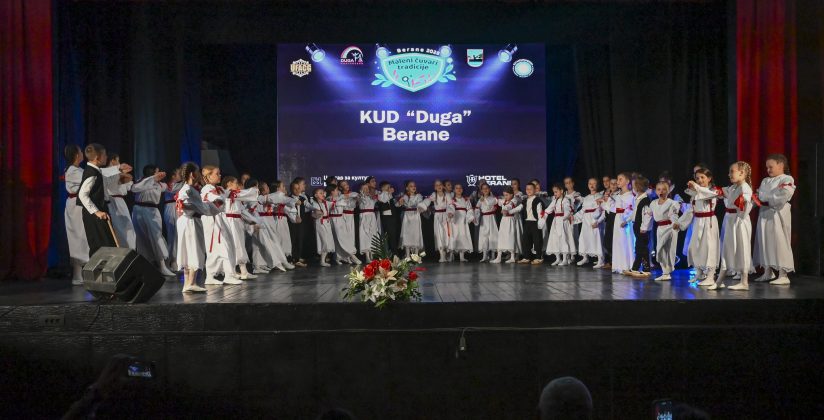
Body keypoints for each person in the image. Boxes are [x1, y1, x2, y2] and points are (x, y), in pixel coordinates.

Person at [175, 162, 219, 293]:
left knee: (188, 250)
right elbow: (190, 204)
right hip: (191, 221)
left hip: (187, 220)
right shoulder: (188, 189)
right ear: (192, 174)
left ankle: (188, 283)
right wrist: (210, 206)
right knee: (194, 249)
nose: (199, 174)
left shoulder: (188, 189)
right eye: (198, 172)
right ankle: (191, 282)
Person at [710, 161, 754, 290]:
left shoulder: (745, 188)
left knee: (742, 248)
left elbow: (746, 204)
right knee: (727, 249)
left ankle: (744, 282)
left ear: (742, 173)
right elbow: (719, 192)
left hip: (739, 221)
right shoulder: (733, 187)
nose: (729, 174)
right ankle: (719, 281)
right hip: (730, 220)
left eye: (732, 172)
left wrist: (743, 202)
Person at [753, 154, 796, 285]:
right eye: (767, 167)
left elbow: (783, 195)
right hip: (764, 213)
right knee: (765, 241)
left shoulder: (786, 179)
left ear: (780, 165)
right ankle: (768, 271)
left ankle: (783, 274)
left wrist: (765, 197)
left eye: (770, 167)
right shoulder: (765, 180)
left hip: (778, 213)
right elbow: (759, 195)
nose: (768, 170)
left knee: (780, 241)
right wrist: (762, 197)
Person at [77, 144, 126, 256]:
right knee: (99, 245)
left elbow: (105, 173)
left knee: (105, 243)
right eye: (104, 155)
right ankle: (98, 267)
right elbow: (82, 195)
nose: (106, 157)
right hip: (94, 214)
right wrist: (97, 212)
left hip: (99, 211)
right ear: (97, 158)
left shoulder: (95, 170)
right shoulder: (92, 173)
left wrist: (119, 168)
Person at [130, 165, 175, 276]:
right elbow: (134, 188)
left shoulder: (160, 184)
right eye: (157, 172)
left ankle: (162, 266)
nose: (159, 174)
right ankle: (147, 264)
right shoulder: (141, 181)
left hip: (152, 211)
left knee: (156, 236)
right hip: (138, 210)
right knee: (140, 238)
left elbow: (171, 188)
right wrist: (152, 179)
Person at [200, 165, 240, 285]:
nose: (220, 175)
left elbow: (228, 193)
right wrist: (218, 198)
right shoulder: (206, 189)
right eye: (217, 174)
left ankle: (211, 276)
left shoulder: (219, 189)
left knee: (223, 246)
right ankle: (227, 275)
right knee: (220, 246)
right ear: (208, 176)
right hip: (212, 219)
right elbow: (209, 197)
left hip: (220, 218)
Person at [681, 168, 722, 286]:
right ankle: (699, 272)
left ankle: (710, 276)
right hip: (698, 222)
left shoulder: (712, 191)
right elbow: (691, 210)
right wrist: (680, 223)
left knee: (709, 248)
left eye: (702, 177)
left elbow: (705, 194)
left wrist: (695, 186)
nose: (699, 180)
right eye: (697, 178)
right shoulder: (696, 193)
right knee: (694, 247)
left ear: (709, 178)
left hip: (709, 222)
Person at [222, 175, 260, 279]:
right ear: (229, 184)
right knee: (236, 245)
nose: (237, 185)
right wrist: (253, 190)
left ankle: (242, 271)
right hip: (231, 222)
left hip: (236, 222)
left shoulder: (235, 196)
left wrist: (253, 221)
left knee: (239, 245)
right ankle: (237, 272)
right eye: (235, 183)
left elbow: (242, 211)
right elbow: (245, 194)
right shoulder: (227, 193)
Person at [63, 144, 90, 285]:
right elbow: (91, 178)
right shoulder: (73, 171)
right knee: (78, 237)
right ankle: (77, 275)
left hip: (80, 205)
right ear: (76, 155)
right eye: (80, 151)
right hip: (76, 206)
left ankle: (80, 274)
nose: (82, 153)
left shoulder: (78, 170)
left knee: (82, 237)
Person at [603, 172, 635, 274]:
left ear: (627, 181)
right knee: (618, 242)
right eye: (618, 179)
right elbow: (614, 209)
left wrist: (626, 220)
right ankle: (619, 266)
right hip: (617, 220)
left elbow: (632, 210)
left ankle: (628, 265)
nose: (618, 181)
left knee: (626, 242)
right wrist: (607, 201)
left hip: (625, 222)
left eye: (620, 179)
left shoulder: (631, 195)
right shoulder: (618, 195)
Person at [102, 154, 136, 249]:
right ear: (112, 161)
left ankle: (129, 250)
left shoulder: (116, 172)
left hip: (118, 202)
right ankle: (125, 251)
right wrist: (121, 171)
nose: (119, 163)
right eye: (118, 160)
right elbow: (127, 179)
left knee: (125, 229)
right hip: (113, 202)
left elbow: (129, 182)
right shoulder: (106, 172)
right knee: (121, 229)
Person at [650, 181, 681, 281]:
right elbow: (649, 215)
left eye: (664, 189)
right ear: (656, 191)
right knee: (660, 250)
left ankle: (669, 268)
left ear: (668, 191)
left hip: (670, 228)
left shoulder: (672, 203)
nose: (661, 191)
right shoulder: (653, 203)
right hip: (660, 229)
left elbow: (673, 215)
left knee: (666, 249)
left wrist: (675, 223)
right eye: (659, 189)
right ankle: (665, 273)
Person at [572, 178, 605, 268]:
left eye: (594, 183)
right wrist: (574, 217)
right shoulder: (586, 198)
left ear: (597, 185)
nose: (592, 185)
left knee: (597, 239)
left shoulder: (600, 196)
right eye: (590, 183)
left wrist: (598, 221)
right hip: (586, 221)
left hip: (594, 220)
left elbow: (603, 210)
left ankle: (601, 259)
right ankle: (585, 257)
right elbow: (583, 210)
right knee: (584, 238)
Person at [543, 183, 576, 266]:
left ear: (561, 191)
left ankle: (565, 259)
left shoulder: (565, 200)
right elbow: (548, 209)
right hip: (555, 222)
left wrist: (562, 219)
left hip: (563, 222)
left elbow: (567, 212)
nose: (555, 194)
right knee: (555, 239)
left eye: (556, 192)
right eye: (554, 192)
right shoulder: (555, 201)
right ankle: (558, 258)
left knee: (563, 239)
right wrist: (544, 215)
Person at [327, 185, 360, 264]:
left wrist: (355, 198)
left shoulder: (340, 197)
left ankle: (340, 257)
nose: (338, 191)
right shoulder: (328, 199)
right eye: (336, 190)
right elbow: (335, 204)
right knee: (339, 238)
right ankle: (352, 255)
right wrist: (342, 201)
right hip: (333, 220)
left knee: (344, 237)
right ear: (332, 191)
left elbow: (349, 199)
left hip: (341, 219)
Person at [627, 176, 652, 277]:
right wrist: (628, 220)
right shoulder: (637, 198)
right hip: (636, 225)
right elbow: (635, 212)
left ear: (638, 187)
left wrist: (644, 228)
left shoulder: (645, 200)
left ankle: (646, 268)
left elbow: (647, 215)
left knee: (643, 248)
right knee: (638, 247)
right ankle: (635, 268)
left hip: (642, 228)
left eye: (634, 185)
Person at [490, 186, 522, 263]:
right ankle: (499, 257)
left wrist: (505, 209)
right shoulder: (504, 200)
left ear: (511, 194)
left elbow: (509, 206)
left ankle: (512, 257)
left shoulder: (513, 201)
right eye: (504, 195)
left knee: (510, 237)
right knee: (501, 237)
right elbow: (497, 201)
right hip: (503, 221)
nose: (505, 196)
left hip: (510, 221)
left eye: (507, 195)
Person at [423, 179, 451, 262]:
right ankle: (441, 255)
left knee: (446, 235)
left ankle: (447, 254)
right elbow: (427, 201)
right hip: (438, 216)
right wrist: (422, 206)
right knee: (439, 236)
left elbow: (451, 205)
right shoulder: (434, 194)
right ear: (435, 187)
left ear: (443, 186)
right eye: (437, 185)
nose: (439, 186)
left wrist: (450, 212)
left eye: (440, 185)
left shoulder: (447, 195)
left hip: (446, 216)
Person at [396, 180, 426, 257]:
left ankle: (416, 255)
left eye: (414, 186)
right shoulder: (404, 196)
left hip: (415, 215)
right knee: (407, 234)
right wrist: (400, 202)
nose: (413, 187)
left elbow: (419, 204)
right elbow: (397, 205)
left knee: (416, 233)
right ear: (407, 188)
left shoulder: (418, 196)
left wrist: (420, 207)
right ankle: (407, 255)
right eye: (411, 186)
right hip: (407, 216)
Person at [517, 182, 544, 264]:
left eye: (530, 189)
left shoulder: (538, 200)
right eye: (527, 189)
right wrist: (509, 211)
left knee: (537, 240)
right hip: (527, 222)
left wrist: (540, 223)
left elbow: (540, 213)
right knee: (525, 240)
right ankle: (526, 257)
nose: (528, 190)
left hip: (535, 222)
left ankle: (538, 257)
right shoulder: (525, 200)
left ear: (535, 190)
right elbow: (519, 208)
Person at [162, 169, 183, 272]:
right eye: (179, 174)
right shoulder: (169, 185)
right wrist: (187, 180)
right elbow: (174, 189)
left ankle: (177, 260)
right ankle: (171, 261)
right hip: (171, 208)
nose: (181, 176)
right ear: (173, 176)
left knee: (178, 235)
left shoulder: (178, 185)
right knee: (173, 235)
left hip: (178, 208)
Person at [308, 187, 335, 266]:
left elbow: (334, 203)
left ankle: (323, 260)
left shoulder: (325, 202)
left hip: (327, 223)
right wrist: (317, 213)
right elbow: (313, 214)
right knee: (324, 240)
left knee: (328, 240)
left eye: (323, 193)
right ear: (316, 195)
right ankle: (322, 260)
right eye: (320, 193)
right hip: (320, 223)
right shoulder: (314, 203)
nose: (323, 194)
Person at [447, 184, 474, 262]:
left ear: (462, 190)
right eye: (457, 188)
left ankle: (462, 256)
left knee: (463, 236)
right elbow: (450, 207)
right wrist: (450, 213)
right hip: (455, 220)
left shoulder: (466, 200)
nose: (459, 189)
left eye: (460, 188)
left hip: (463, 220)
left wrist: (470, 217)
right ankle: (451, 255)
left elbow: (469, 209)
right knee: (454, 236)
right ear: (454, 190)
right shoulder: (452, 200)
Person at [288, 178, 310, 267]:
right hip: (292, 223)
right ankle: (292, 258)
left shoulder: (302, 198)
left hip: (301, 223)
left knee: (299, 240)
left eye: (298, 188)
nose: (297, 190)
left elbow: (308, 206)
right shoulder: (288, 199)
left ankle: (297, 257)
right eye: (295, 189)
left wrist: (316, 209)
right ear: (291, 189)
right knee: (293, 240)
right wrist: (295, 216)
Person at [474, 183, 499, 262]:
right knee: (484, 236)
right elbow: (477, 209)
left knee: (493, 235)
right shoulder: (480, 200)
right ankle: (485, 255)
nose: (485, 190)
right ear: (481, 190)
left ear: (489, 189)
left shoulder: (493, 198)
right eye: (483, 188)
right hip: (484, 219)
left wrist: (483, 199)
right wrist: (475, 217)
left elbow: (490, 204)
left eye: (486, 188)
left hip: (491, 218)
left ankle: (493, 255)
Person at [357, 179, 381, 261]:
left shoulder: (372, 198)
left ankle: (372, 254)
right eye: (364, 189)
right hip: (364, 217)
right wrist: (362, 194)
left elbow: (381, 197)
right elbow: (361, 199)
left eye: (367, 188)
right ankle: (367, 256)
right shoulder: (360, 197)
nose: (366, 190)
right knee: (365, 235)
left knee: (372, 234)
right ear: (361, 190)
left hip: (372, 217)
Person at [377, 181, 399, 253]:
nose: (389, 188)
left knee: (393, 235)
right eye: (388, 187)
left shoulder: (389, 194)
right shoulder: (380, 195)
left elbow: (394, 204)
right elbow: (384, 200)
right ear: (382, 188)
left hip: (393, 217)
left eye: (390, 187)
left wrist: (399, 203)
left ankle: (394, 253)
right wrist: (389, 193)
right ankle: (390, 253)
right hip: (386, 218)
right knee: (388, 236)